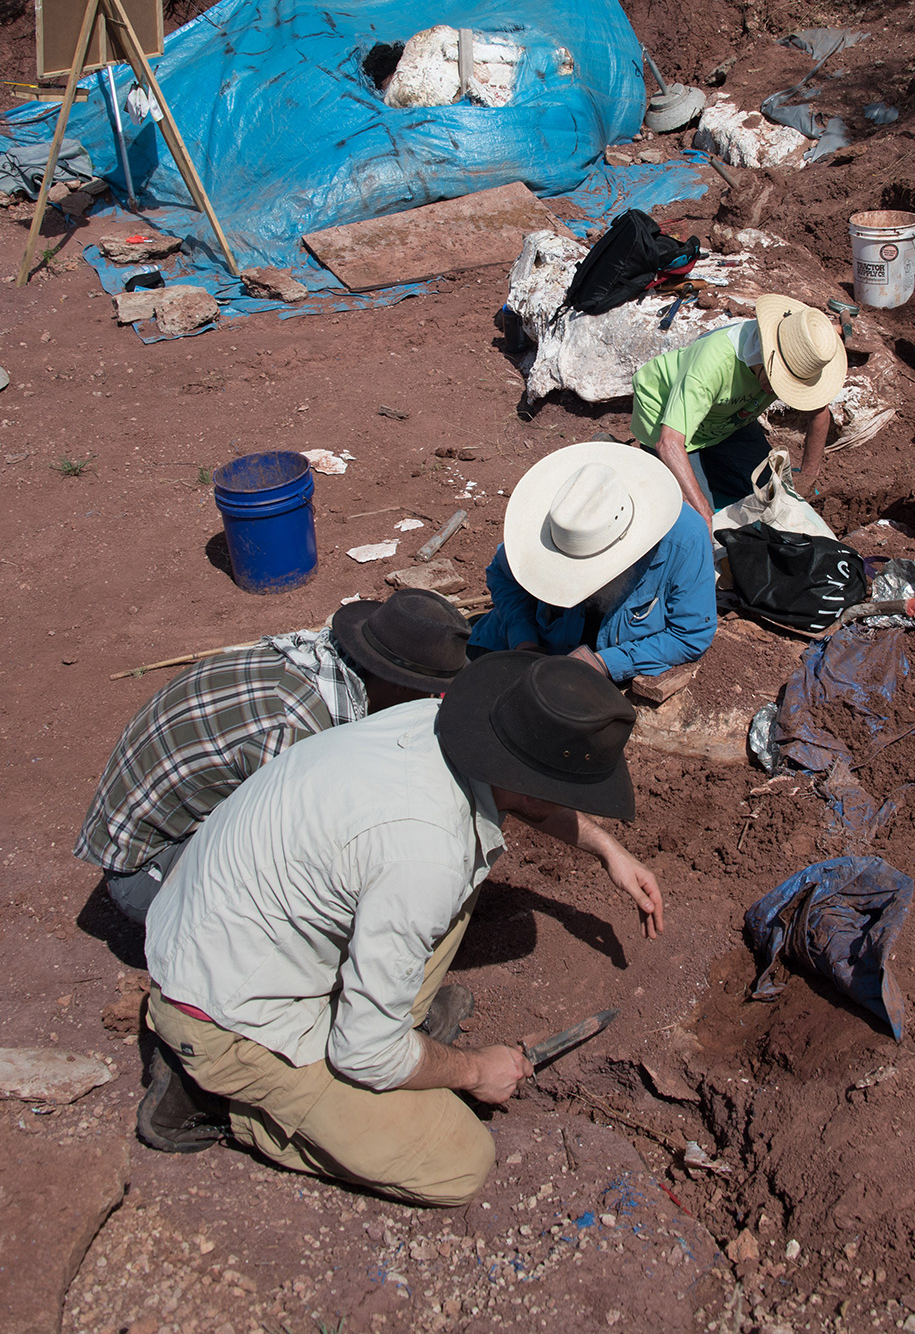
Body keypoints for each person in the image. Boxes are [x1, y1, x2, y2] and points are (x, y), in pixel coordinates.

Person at [140, 651, 663, 1204]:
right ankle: (218, 1102)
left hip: (223, 926)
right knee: (459, 1161)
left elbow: (523, 795)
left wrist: (606, 848)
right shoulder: (425, 853)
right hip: (221, 1013)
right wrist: (475, 1070)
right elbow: (364, 1053)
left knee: (466, 864)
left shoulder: (438, 725)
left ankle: (381, 1027)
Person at [75, 590, 471, 924]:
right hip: (145, 875)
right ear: (398, 687)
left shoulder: (312, 661)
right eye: (426, 692)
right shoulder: (295, 731)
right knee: (327, 891)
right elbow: (305, 843)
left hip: (162, 825)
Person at [468, 443, 715, 679]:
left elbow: (690, 634)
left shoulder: (684, 539)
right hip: (523, 651)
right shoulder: (561, 514)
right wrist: (524, 640)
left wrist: (606, 663)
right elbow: (502, 572)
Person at [629, 293, 847, 520]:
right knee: (690, 517)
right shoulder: (713, 366)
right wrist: (703, 509)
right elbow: (669, 442)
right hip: (664, 413)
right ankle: (623, 463)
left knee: (772, 495)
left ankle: (712, 465)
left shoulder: (800, 357)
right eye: (778, 382)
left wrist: (809, 475)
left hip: (727, 417)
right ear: (764, 356)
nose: (775, 392)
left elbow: (820, 412)